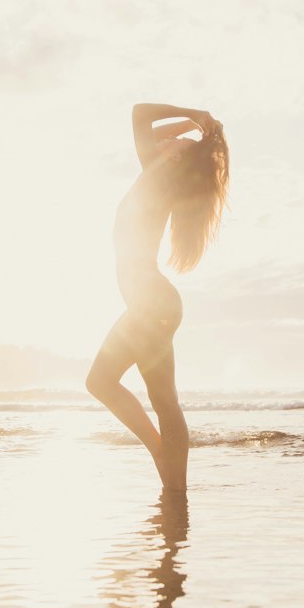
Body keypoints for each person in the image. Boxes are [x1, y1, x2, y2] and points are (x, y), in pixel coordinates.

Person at [86, 103, 230, 492]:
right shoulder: (156, 173)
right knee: (164, 401)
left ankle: (162, 459)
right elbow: (146, 123)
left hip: (152, 303)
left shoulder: (160, 176)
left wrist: (195, 115)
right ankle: (175, 488)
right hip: (156, 303)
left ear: (177, 156)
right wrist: (198, 127)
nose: (168, 137)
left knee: (100, 382)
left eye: (176, 140)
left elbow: (139, 114)